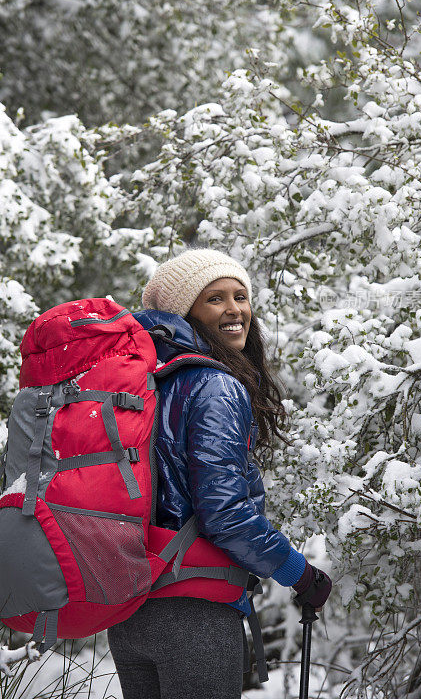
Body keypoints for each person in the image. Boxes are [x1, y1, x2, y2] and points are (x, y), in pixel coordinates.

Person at [107, 248, 331, 699]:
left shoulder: (142, 383)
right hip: (196, 613)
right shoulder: (214, 385)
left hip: (131, 612)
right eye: (215, 299)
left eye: (241, 296)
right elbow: (225, 513)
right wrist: (300, 575)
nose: (235, 310)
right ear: (184, 313)